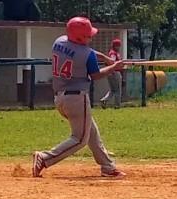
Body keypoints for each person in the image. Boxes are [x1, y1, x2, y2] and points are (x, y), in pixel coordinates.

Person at [32, 16, 128, 179]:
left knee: (91, 132)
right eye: (87, 35)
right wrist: (114, 67)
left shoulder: (59, 41)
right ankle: (45, 158)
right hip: (77, 99)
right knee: (80, 139)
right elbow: (96, 75)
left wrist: (105, 58)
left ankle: (107, 166)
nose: (90, 37)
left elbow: (87, 52)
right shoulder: (85, 54)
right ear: (79, 37)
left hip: (60, 98)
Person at [99, 37, 124, 108]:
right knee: (118, 90)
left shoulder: (115, 53)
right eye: (118, 45)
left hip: (112, 72)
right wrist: (112, 70)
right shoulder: (113, 53)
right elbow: (111, 62)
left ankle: (104, 100)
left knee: (113, 90)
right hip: (114, 72)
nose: (119, 47)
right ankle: (117, 105)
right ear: (115, 46)